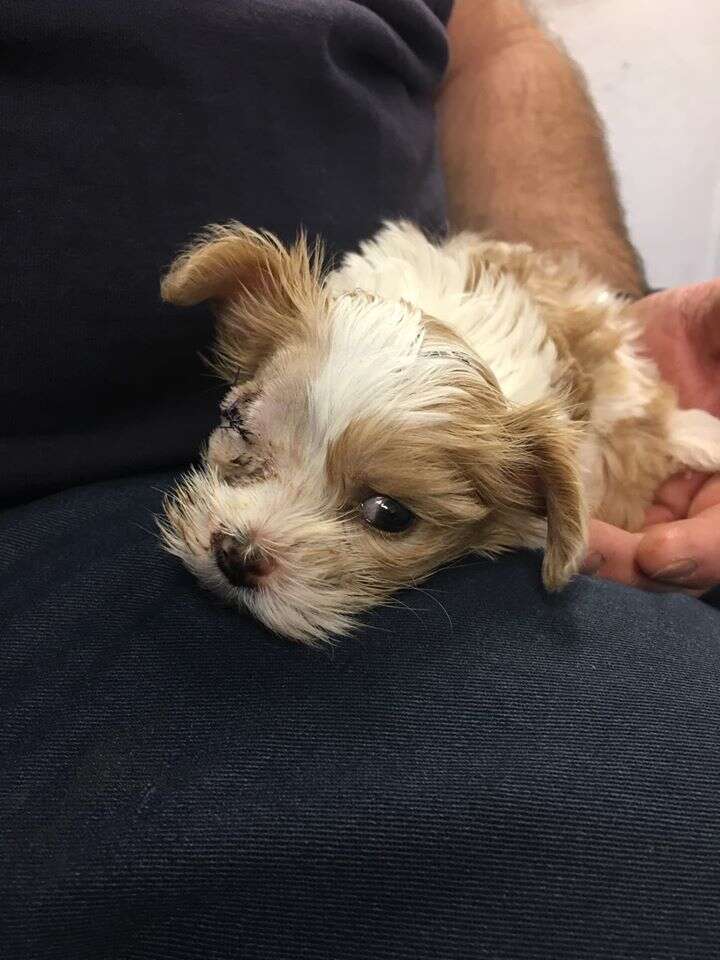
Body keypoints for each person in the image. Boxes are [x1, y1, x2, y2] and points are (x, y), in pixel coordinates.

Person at [2, 2, 718, 958]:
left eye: (382, 513)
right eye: (246, 438)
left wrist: (610, 321)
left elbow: (494, 39)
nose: (245, 536)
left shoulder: (518, 453)